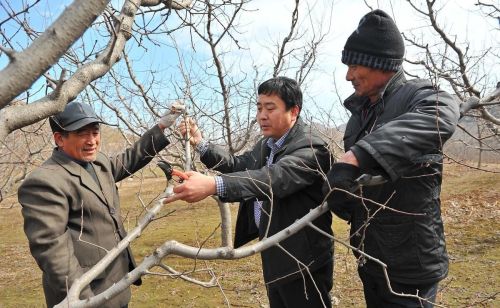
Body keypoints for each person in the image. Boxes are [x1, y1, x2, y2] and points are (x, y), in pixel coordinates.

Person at [322, 9, 460, 308]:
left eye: (354, 65)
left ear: (378, 62)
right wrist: (346, 198)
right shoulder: (358, 118)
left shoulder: (417, 95)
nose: (348, 76)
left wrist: (356, 156)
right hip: (370, 257)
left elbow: (442, 115)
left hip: (411, 263)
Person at [170, 76, 333, 307]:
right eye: (258, 108)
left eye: (270, 108)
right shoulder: (267, 144)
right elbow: (238, 166)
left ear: (294, 111)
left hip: (304, 262)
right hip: (273, 254)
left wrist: (213, 185)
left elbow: (273, 179)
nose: (261, 116)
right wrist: (200, 142)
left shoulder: (312, 148)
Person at [18, 101, 182, 307]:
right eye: (82, 134)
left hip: (117, 285)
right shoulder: (45, 182)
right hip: (87, 294)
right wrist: (85, 301)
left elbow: (129, 159)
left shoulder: (98, 162)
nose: (92, 141)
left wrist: (161, 127)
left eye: (95, 133)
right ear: (59, 139)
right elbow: (55, 255)